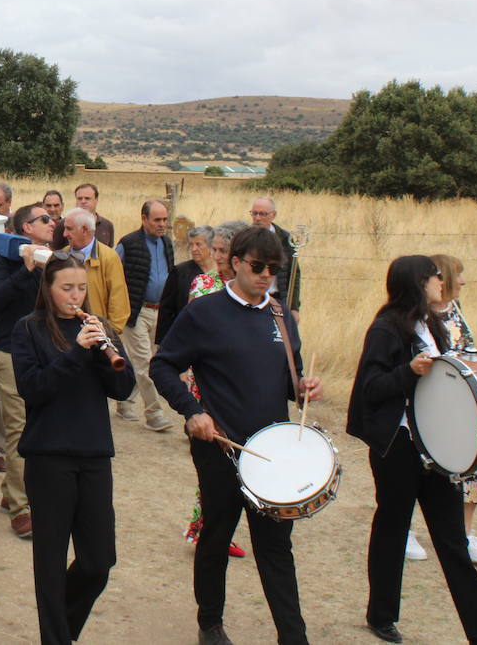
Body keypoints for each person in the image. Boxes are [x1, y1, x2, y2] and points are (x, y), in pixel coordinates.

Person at [150, 226, 322, 645]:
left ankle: (292, 636)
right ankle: (210, 623)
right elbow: (163, 366)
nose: (266, 275)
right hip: (220, 445)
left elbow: (285, 380)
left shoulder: (280, 315)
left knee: (275, 545)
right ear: (237, 262)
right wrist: (191, 412)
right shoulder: (204, 312)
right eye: (258, 267)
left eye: (273, 269)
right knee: (217, 534)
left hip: (272, 452)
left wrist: (303, 388)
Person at [347, 256, 477, 645]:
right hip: (397, 447)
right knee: (392, 529)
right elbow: (370, 389)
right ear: (417, 282)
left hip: (436, 448)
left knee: (451, 540)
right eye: (433, 277)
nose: (439, 282)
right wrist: (408, 371)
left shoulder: (433, 324)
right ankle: (381, 616)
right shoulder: (385, 328)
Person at [12, 254, 135, 644]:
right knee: (49, 563)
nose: (76, 295)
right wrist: (78, 353)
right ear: (48, 289)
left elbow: (123, 388)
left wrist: (103, 349)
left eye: (81, 288)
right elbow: (33, 388)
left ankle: (61, 630)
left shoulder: (96, 329)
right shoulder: (28, 330)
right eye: (67, 288)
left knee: (99, 562)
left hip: (94, 453)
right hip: (48, 456)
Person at [177, 221, 250, 558]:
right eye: (216, 250)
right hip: (203, 387)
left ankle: (213, 527)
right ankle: (207, 529)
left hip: (238, 388)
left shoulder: (256, 293)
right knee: (212, 463)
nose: (217, 257)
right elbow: (188, 336)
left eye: (224, 251)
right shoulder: (203, 285)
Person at [426, 253, 477, 565]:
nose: (463, 281)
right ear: (442, 278)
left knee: (476, 465)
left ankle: (465, 534)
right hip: (436, 404)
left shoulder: (455, 309)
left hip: (464, 399)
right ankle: (405, 531)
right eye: (458, 275)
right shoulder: (422, 316)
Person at [0, 204, 56, 539]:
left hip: (41, 354)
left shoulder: (52, 262)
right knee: (19, 429)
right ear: (26, 228)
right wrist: (25, 270)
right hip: (9, 352)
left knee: (35, 424)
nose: (52, 223)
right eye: (44, 219)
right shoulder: (4, 261)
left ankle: (8, 490)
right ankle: (21, 507)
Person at [114, 200, 176, 430]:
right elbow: (111, 270)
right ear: (144, 219)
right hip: (136, 312)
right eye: (157, 220)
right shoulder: (128, 244)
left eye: (164, 220)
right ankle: (154, 414)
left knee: (146, 361)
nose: (162, 224)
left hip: (160, 312)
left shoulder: (167, 243)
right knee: (144, 363)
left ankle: (124, 401)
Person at [62, 209, 129, 336]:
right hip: (65, 332)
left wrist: (108, 334)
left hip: (96, 334)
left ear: (85, 230)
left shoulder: (109, 258)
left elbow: (118, 300)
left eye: (69, 229)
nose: (65, 234)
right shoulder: (62, 255)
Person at [155, 225, 216, 343]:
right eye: (191, 245)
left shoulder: (222, 272)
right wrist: (162, 341)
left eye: (198, 244)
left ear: (210, 246)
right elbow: (167, 308)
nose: (193, 249)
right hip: (186, 334)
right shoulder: (180, 272)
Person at [249, 197, 302, 319]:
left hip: (277, 300)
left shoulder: (285, 238)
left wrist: (294, 308)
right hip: (250, 300)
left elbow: (294, 274)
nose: (257, 218)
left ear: (273, 215)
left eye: (263, 214)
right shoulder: (244, 237)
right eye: (254, 213)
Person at [53, 183, 115, 250]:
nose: (83, 201)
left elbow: (109, 251)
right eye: (79, 198)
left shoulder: (107, 225)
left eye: (87, 198)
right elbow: (54, 251)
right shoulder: (64, 224)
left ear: (96, 200)